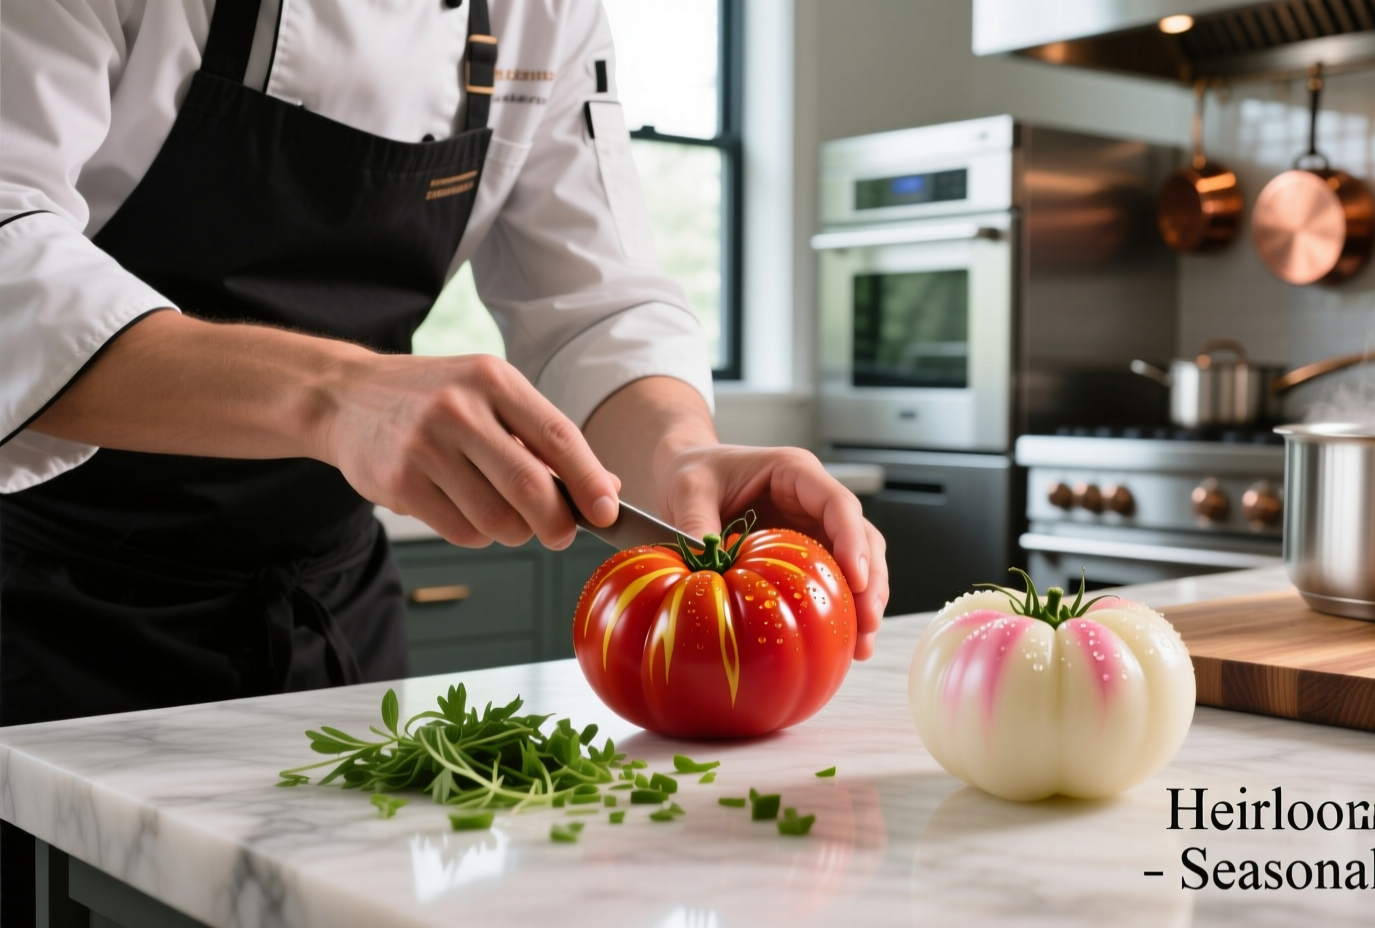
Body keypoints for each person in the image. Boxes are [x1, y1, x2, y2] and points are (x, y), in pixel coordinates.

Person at [0, 0, 888, 919]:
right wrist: (335, 394)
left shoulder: (543, 15)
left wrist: (682, 453)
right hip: (45, 615)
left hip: (332, 620)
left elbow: (596, 308)